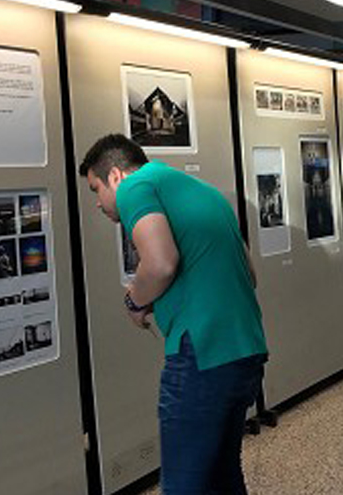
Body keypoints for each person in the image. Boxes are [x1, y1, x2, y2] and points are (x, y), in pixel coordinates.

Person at [79, 134, 268, 495]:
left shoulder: (136, 186)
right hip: (246, 352)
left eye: (96, 189)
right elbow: (250, 275)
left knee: (184, 485)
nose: (99, 205)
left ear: (116, 176)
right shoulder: (204, 192)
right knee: (223, 475)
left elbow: (162, 263)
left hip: (202, 355)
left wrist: (134, 301)